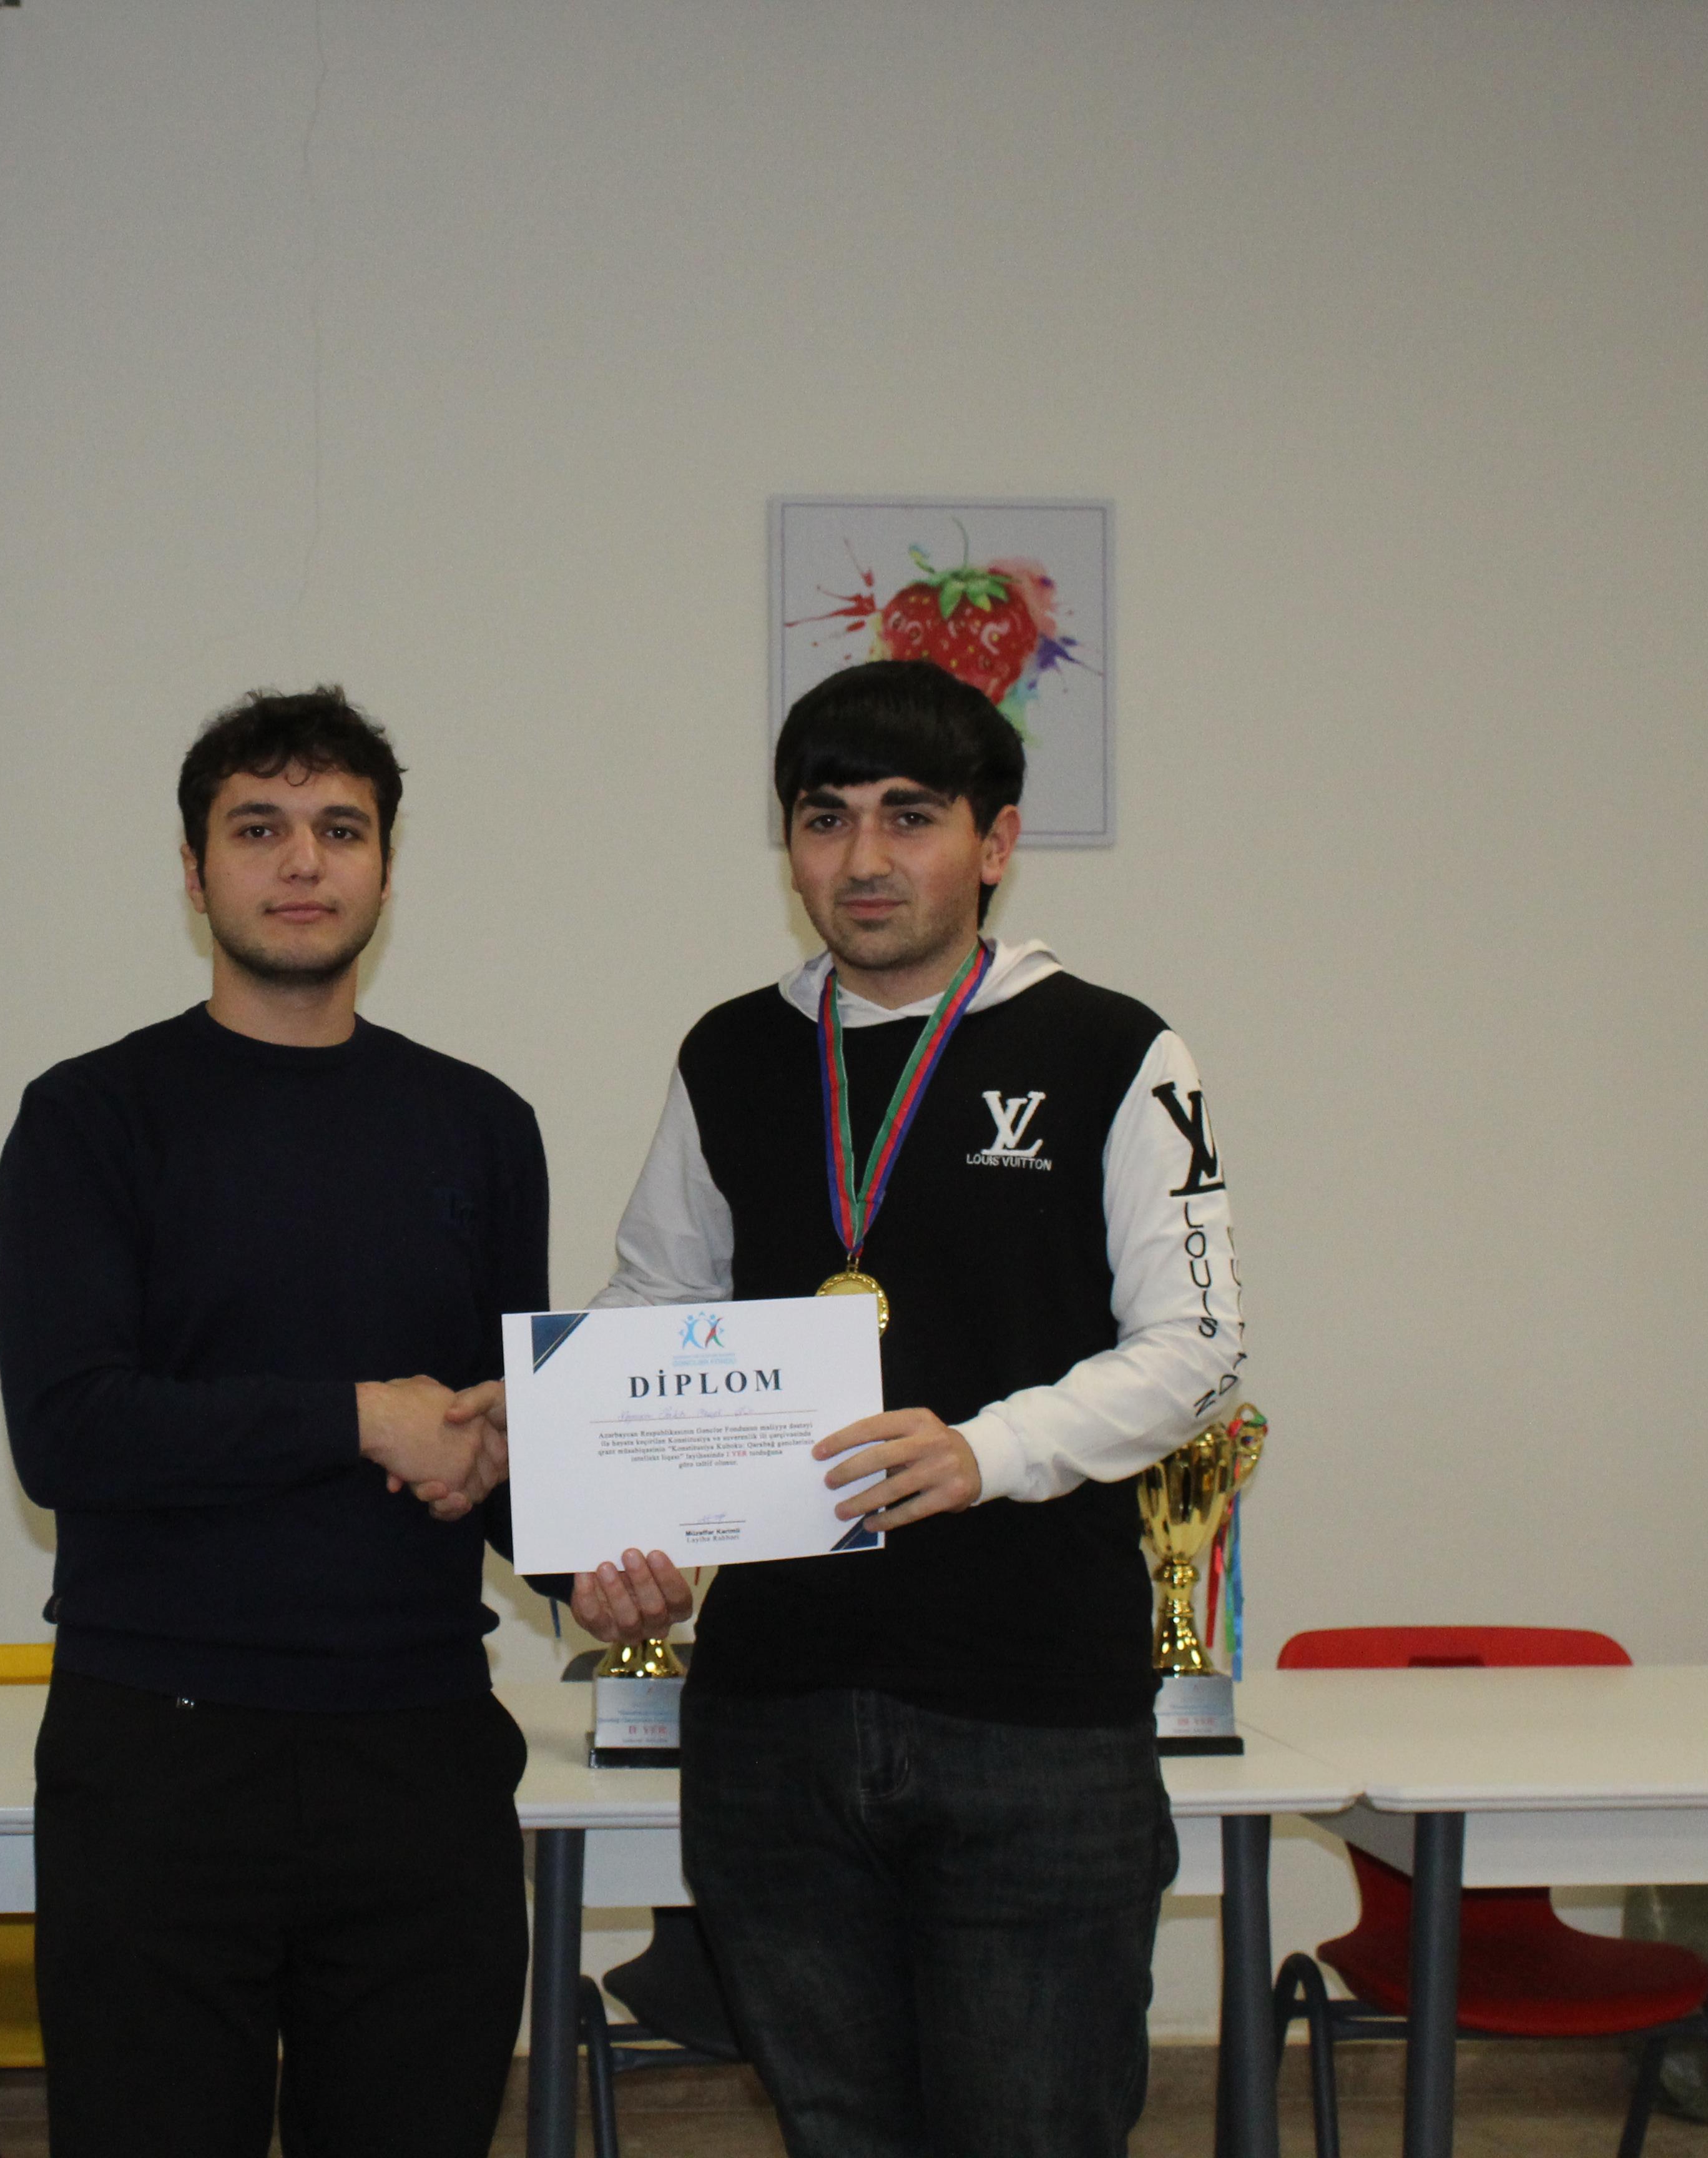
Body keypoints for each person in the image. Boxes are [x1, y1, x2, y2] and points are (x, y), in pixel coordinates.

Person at [551, 658, 1246, 2158]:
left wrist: (988, 1451)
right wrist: (578, 1498)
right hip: (774, 1713)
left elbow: (1197, 1347)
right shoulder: (732, 1053)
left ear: (996, 843)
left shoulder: (1115, 1050)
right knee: (836, 2132)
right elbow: (655, 1304)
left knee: (1033, 2133)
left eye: (910, 816)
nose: (863, 857)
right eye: (825, 818)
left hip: (1034, 1713)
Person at [0, 686, 542, 2158]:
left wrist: (604, 1553)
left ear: (386, 867)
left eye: (340, 830)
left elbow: (494, 1445)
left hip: (421, 1749)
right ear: (195, 872)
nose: (303, 862)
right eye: (259, 829)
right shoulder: (92, 1118)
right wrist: (357, 1420)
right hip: (161, 1757)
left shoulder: (482, 1126)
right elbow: (71, 1434)